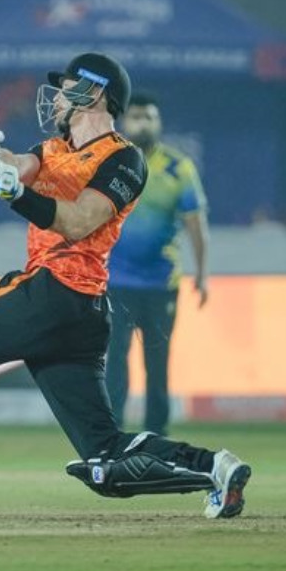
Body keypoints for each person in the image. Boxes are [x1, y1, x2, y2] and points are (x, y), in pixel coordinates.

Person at [0, 53, 250, 520]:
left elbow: (78, 221)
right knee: (105, 457)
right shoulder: (53, 150)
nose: (56, 98)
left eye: (66, 88)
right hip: (78, 315)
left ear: (94, 94)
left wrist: (15, 193)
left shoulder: (124, 160)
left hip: (57, 294)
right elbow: (16, 167)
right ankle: (216, 469)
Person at [104, 93, 209, 435]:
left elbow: (195, 224)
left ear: (158, 122)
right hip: (115, 280)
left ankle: (157, 434)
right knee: (114, 361)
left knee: (157, 361)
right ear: (124, 122)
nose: (143, 124)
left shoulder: (179, 168)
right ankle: (112, 434)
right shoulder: (109, 163)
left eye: (149, 117)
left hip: (161, 282)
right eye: (136, 117)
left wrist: (202, 274)